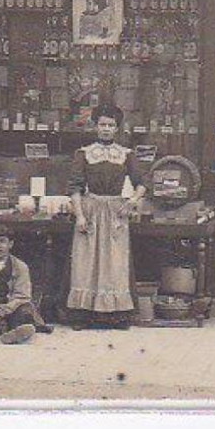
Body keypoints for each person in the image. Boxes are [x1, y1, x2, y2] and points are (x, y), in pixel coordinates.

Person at [66, 106, 144, 328]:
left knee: (115, 262)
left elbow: (141, 184)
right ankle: (83, 314)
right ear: (95, 126)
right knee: (86, 261)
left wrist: (131, 201)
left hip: (115, 213)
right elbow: (75, 187)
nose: (106, 129)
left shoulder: (126, 154)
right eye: (102, 125)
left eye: (110, 125)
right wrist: (80, 215)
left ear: (117, 128)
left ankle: (114, 315)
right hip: (90, 209)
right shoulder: (84, 153)